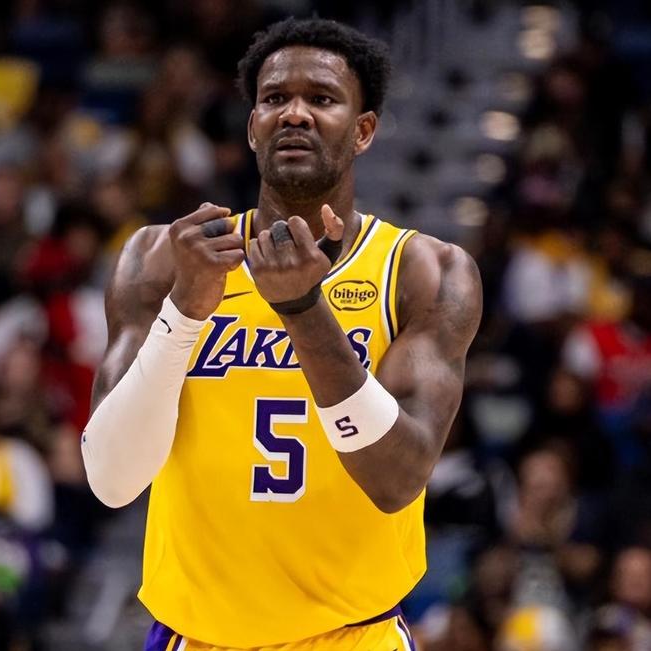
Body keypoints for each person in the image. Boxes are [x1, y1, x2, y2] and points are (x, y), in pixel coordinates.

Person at [80, 17, 482, 651]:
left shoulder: (423, 271)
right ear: (252, 127)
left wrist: (302, 308)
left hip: (352, 636)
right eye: (274, 99)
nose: (294, 113)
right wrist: (184, 311)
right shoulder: (162, 258)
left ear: (363, 130)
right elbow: (111, 478)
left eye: (321, 98)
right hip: (198, 636)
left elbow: (397, 478)